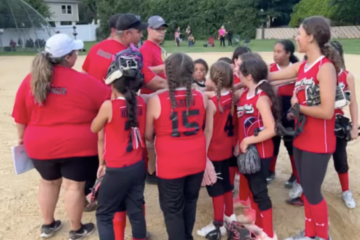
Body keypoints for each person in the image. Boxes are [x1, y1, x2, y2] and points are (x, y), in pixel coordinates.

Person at [12, 33, 110, 240]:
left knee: (48, 182)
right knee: (74, 186)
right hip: (78, 145)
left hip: (39, 144)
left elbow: (20, 116)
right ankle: (76, 229)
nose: (77, 55)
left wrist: (21, 138)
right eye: (76, 52)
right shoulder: (85, 81)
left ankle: (48, 224)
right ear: (68, 57)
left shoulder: (32, 80)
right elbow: (108, 101)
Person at [268, 16, 340, 240]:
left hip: (319, 140)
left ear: (310, 37)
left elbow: (327, 111)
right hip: (302, 137)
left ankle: (322, 236)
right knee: (307, 191)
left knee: (312, 192)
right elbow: (271, 76)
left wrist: (300, 107)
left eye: (299, 33)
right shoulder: (304, 65)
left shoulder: (325, 68)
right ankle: (309, 234)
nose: (296, 37)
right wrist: (245, 76)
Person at [145, 53, 207, 240]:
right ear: (191, 72)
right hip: (196, 159)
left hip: (170, 164)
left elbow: (148, 135)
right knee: (190, 202)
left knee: (172, 209)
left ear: (167, 73)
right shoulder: (201, 96)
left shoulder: (157, 100)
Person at [92, 55, 147, 240]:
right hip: (138, 165)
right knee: (136, 212)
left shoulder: (109, 106)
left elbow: (94, 127)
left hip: (117, 169)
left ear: (113, 83)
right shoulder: (142, 103)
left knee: (104, 214)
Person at [235, 53, 280, 240]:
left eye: (240, 71)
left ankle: (269, 234)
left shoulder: (261, 98)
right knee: (254, 191)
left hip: (260, 153)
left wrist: (246, 141)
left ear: (250, 76)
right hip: (248, 153)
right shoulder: (245, 94)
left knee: (260, 193)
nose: (237, 72)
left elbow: (272, 129)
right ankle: (259, 227)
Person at [197, 61, 237, 238]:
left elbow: (208, 130)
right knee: (227, 186)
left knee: (216, 189)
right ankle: (231, 218)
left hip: (215, 151)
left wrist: (203, 154)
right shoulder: (234, 97)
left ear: (213, 78)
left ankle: (218, 224)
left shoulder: (213, 102)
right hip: (229, 148)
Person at [267, 40, 300, 193]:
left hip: (289, 109)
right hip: (273, 108)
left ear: (288, 53)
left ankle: (295, 173)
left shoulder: (298, 69)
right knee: (273, 141)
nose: (275, 54)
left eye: (279, 51)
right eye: (274, 51)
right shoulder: (270, 68)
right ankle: (270, 170)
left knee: (290, 143)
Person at [140, 15, 168, 184]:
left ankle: (153, 169)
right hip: (150, 94)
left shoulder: (156, 48)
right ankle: (152, 171)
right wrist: (164, 67)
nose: (161, 32)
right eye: (158, 29)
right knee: (152, 134)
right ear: (148, 30)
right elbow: (144, 72)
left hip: (158, 92)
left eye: (163, 29)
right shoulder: (146, 48)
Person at [329, 41, 357, 208]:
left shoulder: (346, 76)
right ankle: (306, 188)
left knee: (340, 158)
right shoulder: (317, 73)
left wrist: (354, 126)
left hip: (337, 123)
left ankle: (346, 190)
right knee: (315, 159)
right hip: (319, 122)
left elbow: (353, 103)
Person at [82, 13, 147, 82]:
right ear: (127, 33)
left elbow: (84, 74)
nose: (141, 35)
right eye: (139, 32)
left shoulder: (96, 48)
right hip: (111, 92)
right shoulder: (127, 56)